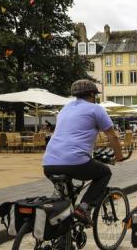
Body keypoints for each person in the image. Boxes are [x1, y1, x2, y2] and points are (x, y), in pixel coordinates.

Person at [42, 79, 124, 225]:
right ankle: (84, 207)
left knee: (66, 202)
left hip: (48, 163)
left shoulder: (64, 109)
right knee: (104, 172)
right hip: (75, 162)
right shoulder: (96, 109)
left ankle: (62, 244)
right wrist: (119, 156)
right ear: (92, 94)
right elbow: (112, 136)